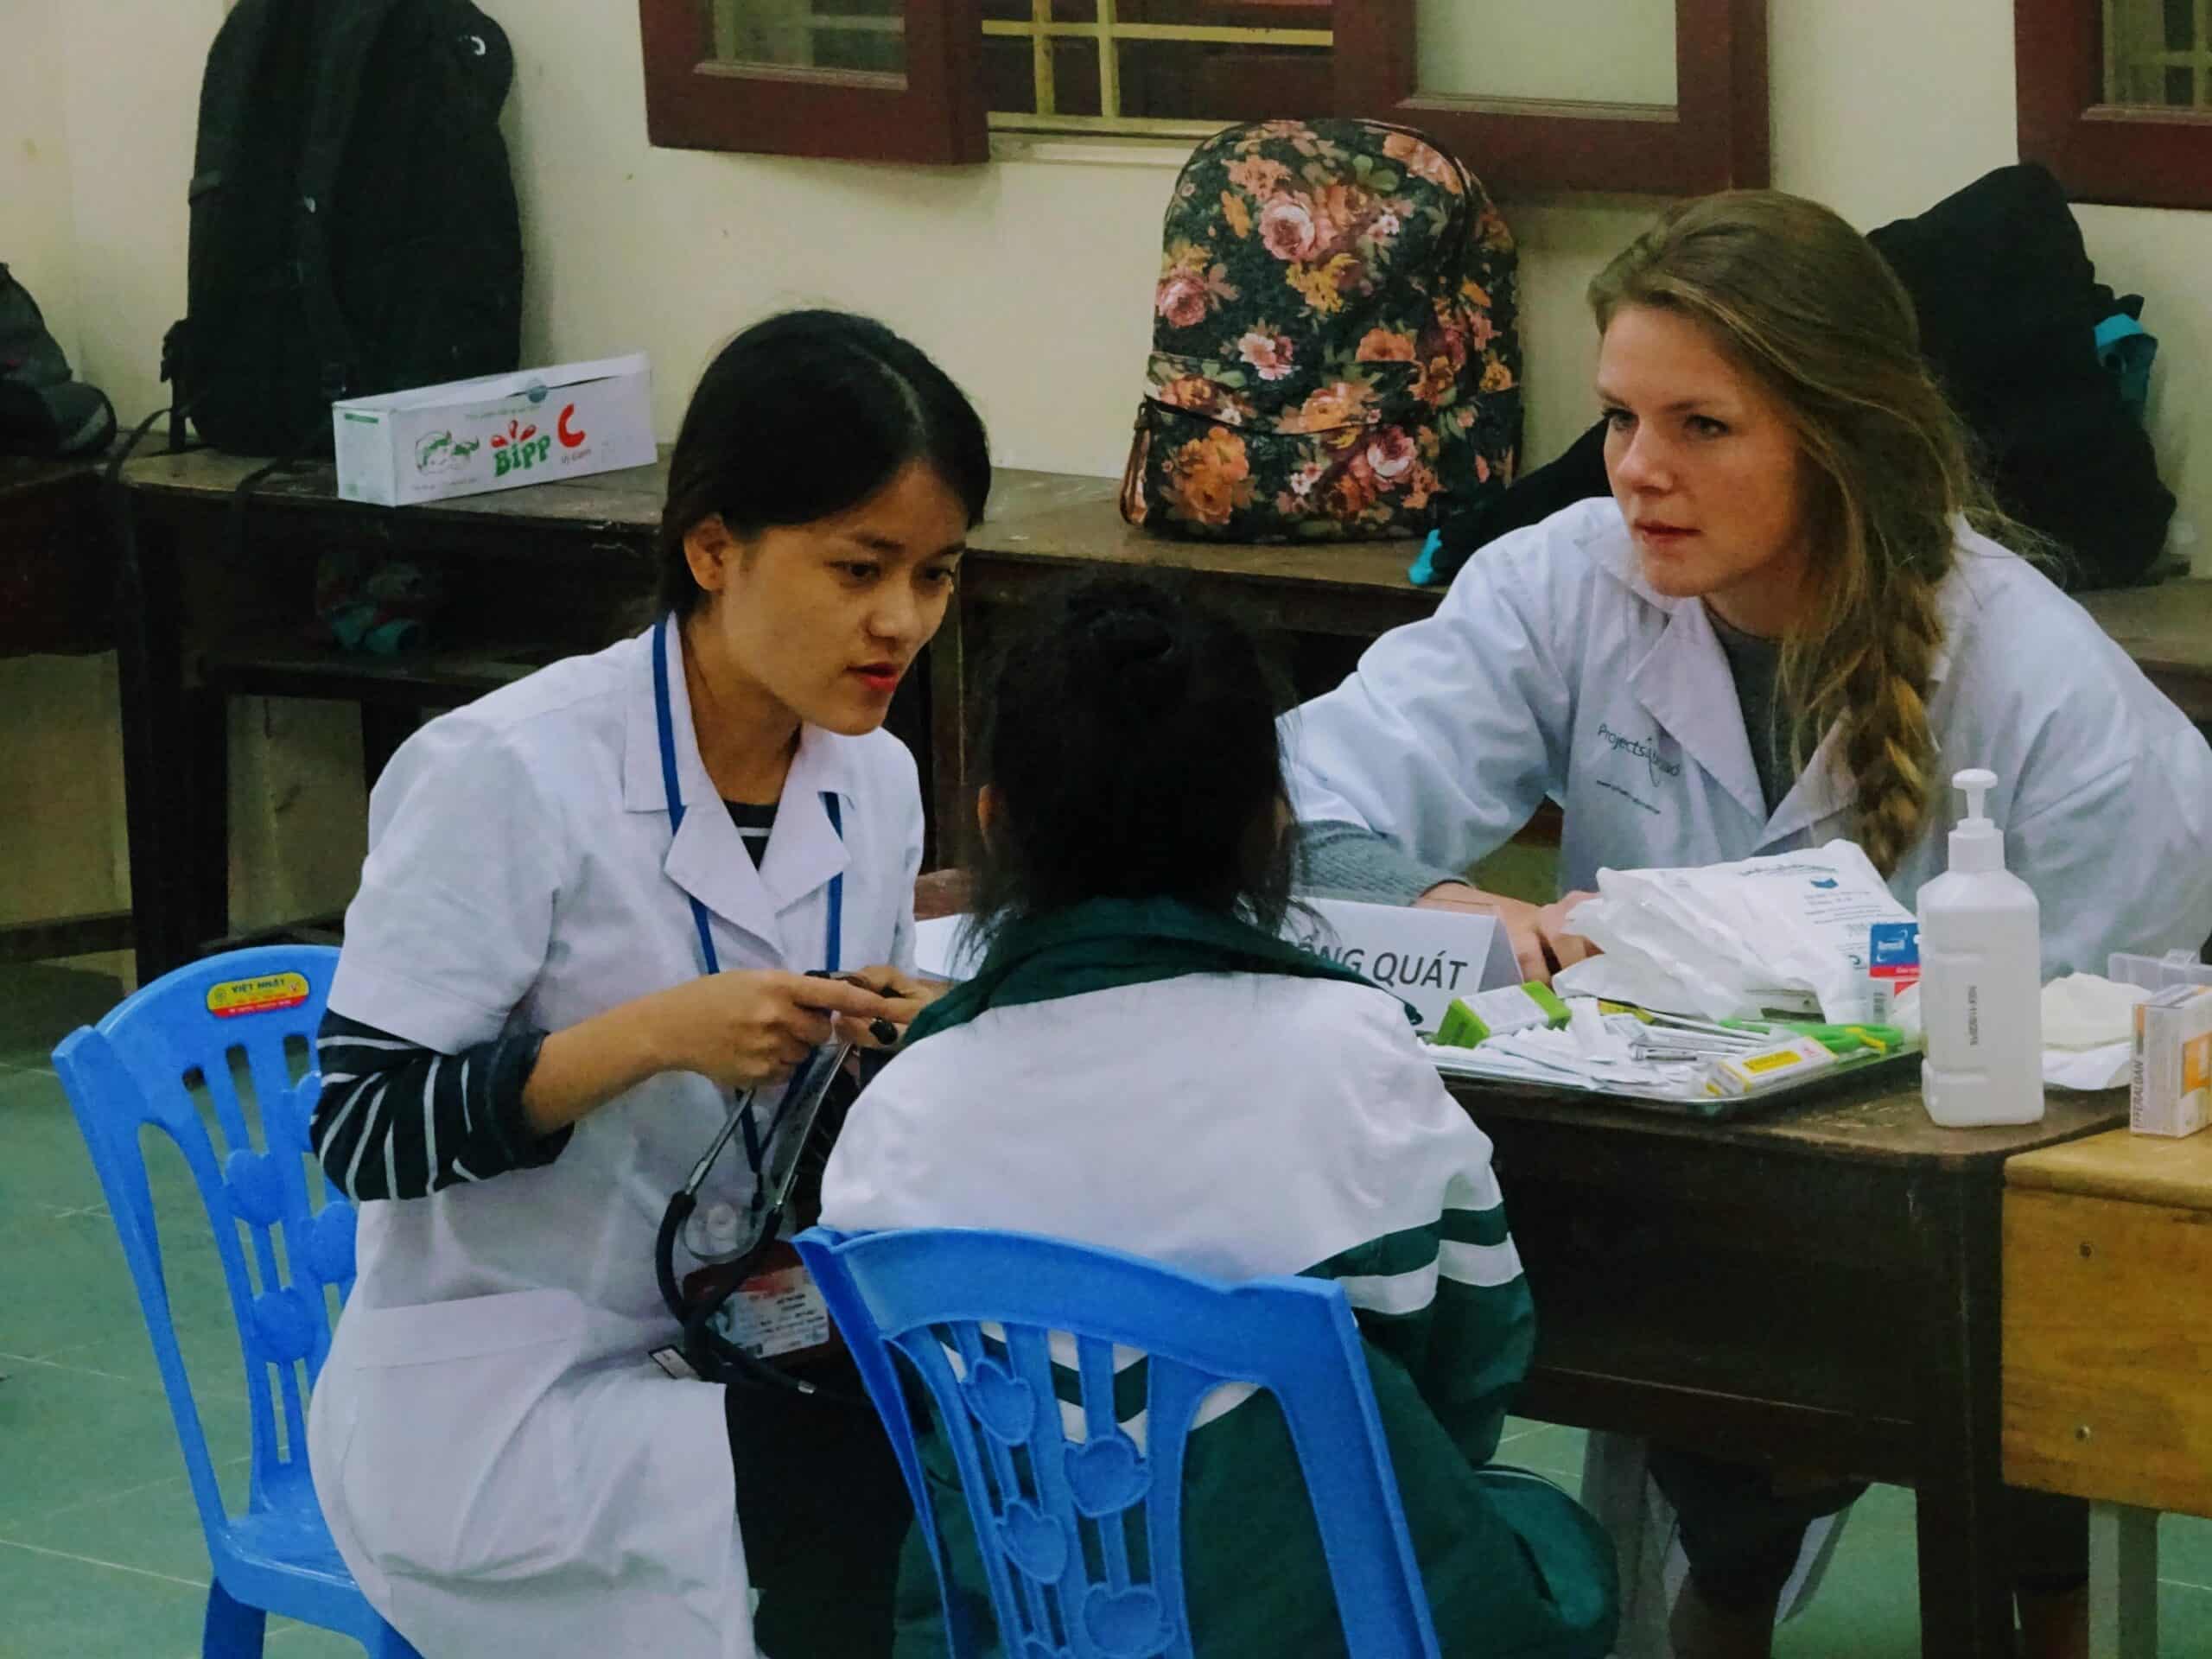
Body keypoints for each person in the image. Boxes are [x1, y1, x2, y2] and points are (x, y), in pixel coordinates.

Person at [1281, 190, 2212, 1658]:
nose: (1640, 472)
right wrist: (1433, 899)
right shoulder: (1564, 583)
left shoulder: (2038, 680)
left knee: (1998, 1393)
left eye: (1702, 427)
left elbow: (2115, 1039)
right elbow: (1280, 808)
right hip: (1662, 1184)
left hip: (1958, 1199)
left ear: (1841, 439)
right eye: (1621, 420)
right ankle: (1724, 1586)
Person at [302, 310, 989, 1659]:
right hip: (500, 1399)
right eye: (860, 568)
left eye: (939, 574)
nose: (901, 620)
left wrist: (896, 1055)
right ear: (715, 548)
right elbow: (362, 1133)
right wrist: (648, 1040)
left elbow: (804, 1158)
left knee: (996, 1435)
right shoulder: (505, 771)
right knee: (861, 1499)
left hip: (731, 1338)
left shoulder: (876, 779)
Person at [818, 575, 1621, 1659]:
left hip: (1036, 1624)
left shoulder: (907, 1097)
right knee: (1547, 1534)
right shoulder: (1350, 1050)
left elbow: (930, 1430)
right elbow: (1471, 1366)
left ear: (993, 819)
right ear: (1273, 828)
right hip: (1336, 1620)